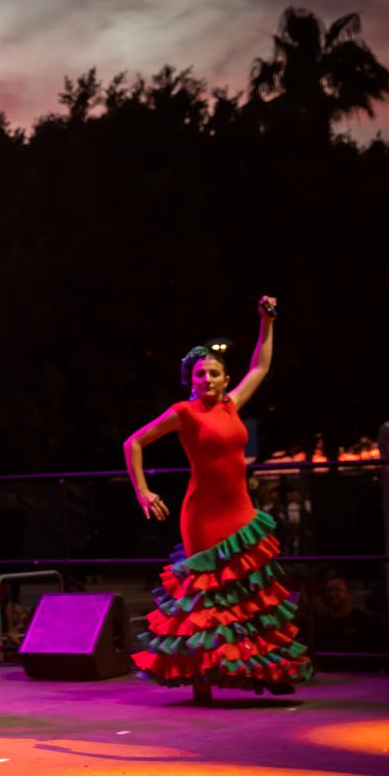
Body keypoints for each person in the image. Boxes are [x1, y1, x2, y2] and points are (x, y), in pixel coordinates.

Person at [123, 296, 312, 702]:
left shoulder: (233, 405)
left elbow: (260, 366)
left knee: (250, 592)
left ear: (226, 379)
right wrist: (143, 490)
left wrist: (266, 321)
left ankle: (265, 669)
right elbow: (134, 442)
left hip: (241, 511)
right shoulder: (184, 413)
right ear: (190, 380)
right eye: (199, 374)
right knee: (207, 597)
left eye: (214, 373)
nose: (207, 379)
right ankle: (202, 679)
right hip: (203, 516)